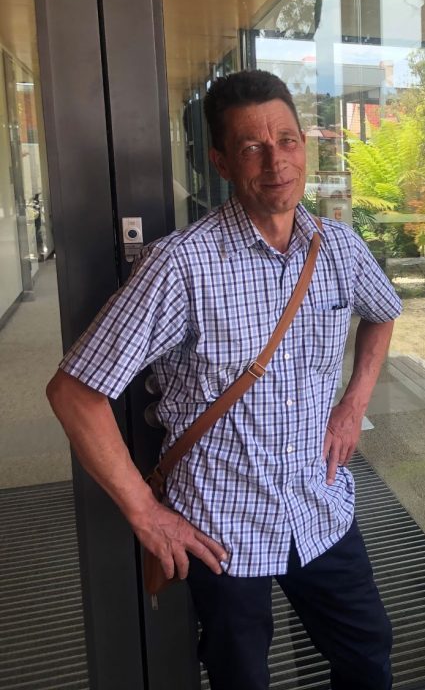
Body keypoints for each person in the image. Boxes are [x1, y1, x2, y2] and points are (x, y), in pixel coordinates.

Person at [46, 70, 401, 690]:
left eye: (287, 140)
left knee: (368, 656)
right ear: (221, 162)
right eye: (251, 147)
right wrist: (146, 514)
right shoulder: (181, 265)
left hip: (319, 507)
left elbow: (383, 314)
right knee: (241, 678)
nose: (276, 162)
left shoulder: (339, 248)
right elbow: (75, 394)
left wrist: (355, 400)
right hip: (222, 526)